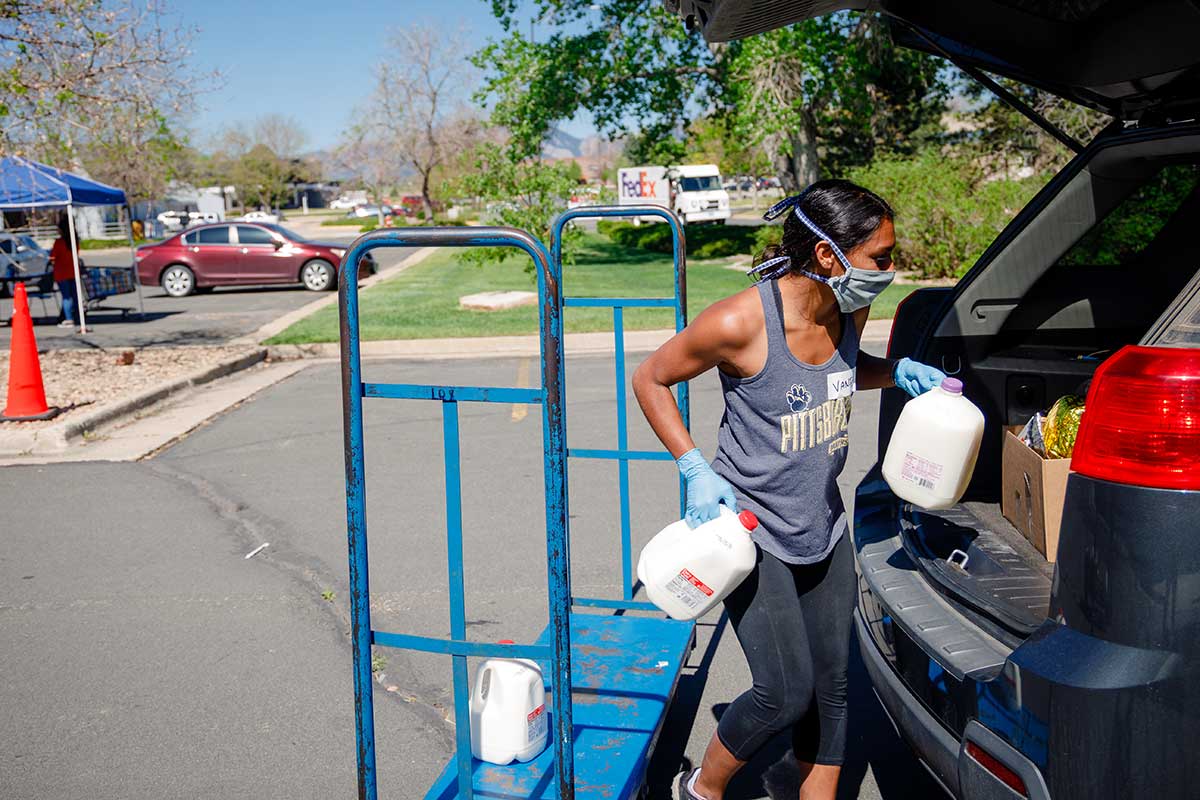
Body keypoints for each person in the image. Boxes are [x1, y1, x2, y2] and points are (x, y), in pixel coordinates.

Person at [631, 179, 947, 800]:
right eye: (880, 258)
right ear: (829, 256)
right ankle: (699, 788)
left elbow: (843, 373)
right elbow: (650, 378)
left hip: (823, 524)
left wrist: (895, 374)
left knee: (833, 683)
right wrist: (694, 467)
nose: (890, 269)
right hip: (753, 532)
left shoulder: (849, 307)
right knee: (782, 692)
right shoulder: (739, 322)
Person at [50, 216, 81, 329]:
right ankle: (77, 316)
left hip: (61, 273)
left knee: (66, 297)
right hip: (73, 271)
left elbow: (52, 257)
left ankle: (69, 319)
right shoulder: (75, 240)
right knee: (74, 296)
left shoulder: (59, 242)